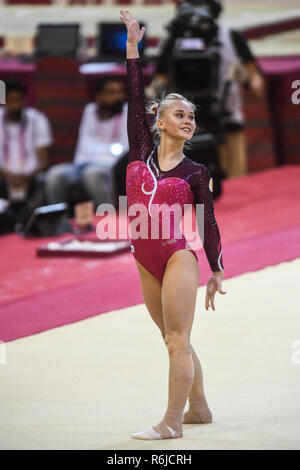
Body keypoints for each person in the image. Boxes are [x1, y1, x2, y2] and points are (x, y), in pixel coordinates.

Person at [120, 9, 227, 440]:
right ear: (159, 122)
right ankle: (199, 406)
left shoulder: (195, 172)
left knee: (176, 339)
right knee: (171, 336)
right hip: (143, 256)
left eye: (192, 118)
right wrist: (132, 48)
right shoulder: (139, 150)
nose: (188, 121)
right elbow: (134, 95)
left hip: (177, 254)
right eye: (180, 115)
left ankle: (172, 422)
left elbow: (209, 222)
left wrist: (216, 268)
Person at [149, 0, 265, 178]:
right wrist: (153, 91)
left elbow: (258, 91)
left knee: (235, 188)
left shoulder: (231, 38)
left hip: (226, 120)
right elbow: (158, 83)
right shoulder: (173, 41)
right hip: (181, 128)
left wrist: (246, 80)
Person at [45, 76, 129, 209]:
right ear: (98, 96)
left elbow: (124, 148)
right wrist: (106, 150)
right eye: (111, 93)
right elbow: (85, 145)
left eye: (120, 92)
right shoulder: (89, 110)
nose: (117, 97)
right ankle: (59, 224)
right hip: (82, 164)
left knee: (91, 174)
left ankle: (110, 219)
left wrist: (99, 152)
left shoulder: (127, 112)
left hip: (109, 166)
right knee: (54, 174)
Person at [0, 80, 52, 228]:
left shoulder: (37, 119)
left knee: (44, 183)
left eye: (18, 100)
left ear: (24, 101)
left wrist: (27, 176)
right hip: (4, 176)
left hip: (31, 176)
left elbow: (44, 161)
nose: (14, 105)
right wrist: (9, 176)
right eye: (10, 100)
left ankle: (22, 224)